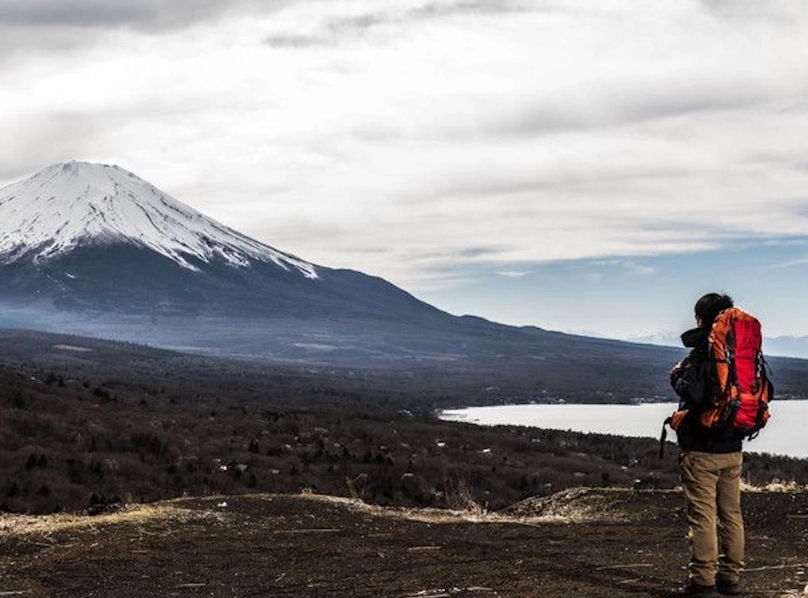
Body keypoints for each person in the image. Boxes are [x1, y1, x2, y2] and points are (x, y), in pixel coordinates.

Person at [669, 293, 744, 598]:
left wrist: (677, 377)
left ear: (702, 318)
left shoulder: (706, 351)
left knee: (703, 517)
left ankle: (703, 582)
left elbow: (696, 394)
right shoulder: (741, 350)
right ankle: (730, 578)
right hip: (733, 447)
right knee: (731, 515)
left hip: (702, 449)